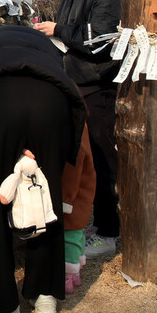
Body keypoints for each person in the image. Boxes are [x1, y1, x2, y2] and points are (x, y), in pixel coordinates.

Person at [0, 26, 87, 313]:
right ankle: (45, 299)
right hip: (52, 104)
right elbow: (70, 86)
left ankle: (4, 306)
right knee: (48, 201)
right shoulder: (47, 45)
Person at [33, 0, 122, 259]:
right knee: (80, 161)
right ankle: (88, 222)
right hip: (74, 86)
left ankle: (109, 231)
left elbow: (101, 40)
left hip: (97, 87)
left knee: (100, 159)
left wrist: (57, 30)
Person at [62, 124, 96, 294]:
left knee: (70, 236)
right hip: (80, 194)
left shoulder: (74, 129)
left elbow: (72, 168)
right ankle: (75, 272)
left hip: (73, 197)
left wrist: (65, 199)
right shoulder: (80, 124)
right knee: (77, 235)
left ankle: (68, 276)